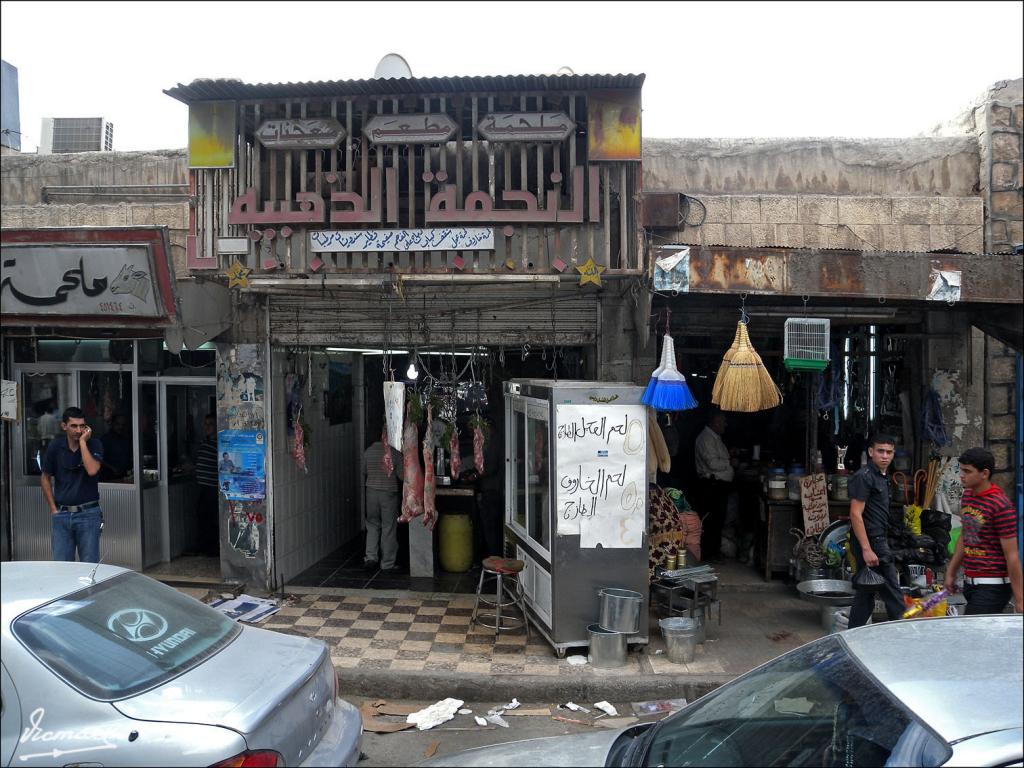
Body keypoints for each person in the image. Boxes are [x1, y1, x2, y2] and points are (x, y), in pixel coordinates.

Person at [943, 448, 1022, 614]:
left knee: (972, 636)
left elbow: (1012, 556)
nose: (962, 475)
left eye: (967, 471)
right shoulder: (968, 496)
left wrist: (1020, 600)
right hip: (970, 583)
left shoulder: (1000, 506)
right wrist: (951, 571)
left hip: (993, 586)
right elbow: (965, 535)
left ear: (984, 473)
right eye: (961, 469)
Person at [847, 433, 905, 628]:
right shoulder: (864, 477)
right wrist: (866, 549)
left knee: (866, 592)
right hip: (872, 542)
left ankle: (851, 634)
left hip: (878, 539)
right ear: (871, 452)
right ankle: (904, 636)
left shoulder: (882, 477)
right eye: (880, 451)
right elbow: (856, 514)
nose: (885, 456)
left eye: (889, 452)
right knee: (894, 595)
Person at [40, 406, 104, 562]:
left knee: (89, 567)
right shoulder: (56, 446)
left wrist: (83, 442)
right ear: (64, 426)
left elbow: (92, 470)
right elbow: (45, 477)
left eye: (82, 426)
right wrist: (53, 509)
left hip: (88, 513)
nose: (78, 430)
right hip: (62, 514)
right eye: (74, 426)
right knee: (62, 567)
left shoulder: (94, 444)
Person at [694, 412, 735, 561]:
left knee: (718, 520)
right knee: (711, 521)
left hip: (718, 486)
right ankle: (708, 553)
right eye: (723, 422)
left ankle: (714, 552)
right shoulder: (706, 438)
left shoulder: (714, 438)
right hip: (711, 485)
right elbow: (712, 464)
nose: (725, 425)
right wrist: (729, 464)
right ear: (715, 422)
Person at [362, 428, 404, 572]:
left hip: (371, 492)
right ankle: (387, 563)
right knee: (388, 527)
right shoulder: (395, 453)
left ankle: (371, 558)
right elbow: (402, 476)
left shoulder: (368, 451)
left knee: (372, 524)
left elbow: (365, 471)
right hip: (388, 493)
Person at [194, 414, 220, 557]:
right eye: (205, 424)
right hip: (202, 486)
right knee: (202, 516)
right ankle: (204, 546)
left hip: (212, 487)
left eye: (210, 424)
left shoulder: (220, 444)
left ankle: (213, 548)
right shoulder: (205, 442)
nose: (207, 427)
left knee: (211, 518)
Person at [99, 412, 133, 482]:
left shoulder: (125, 439)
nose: (120, 427)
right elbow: (98, 458)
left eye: (123, 425)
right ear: (112, 424)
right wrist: (112, 468)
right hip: (109, 478)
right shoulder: (105, 439)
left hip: (124, 476)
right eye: (118, 424)